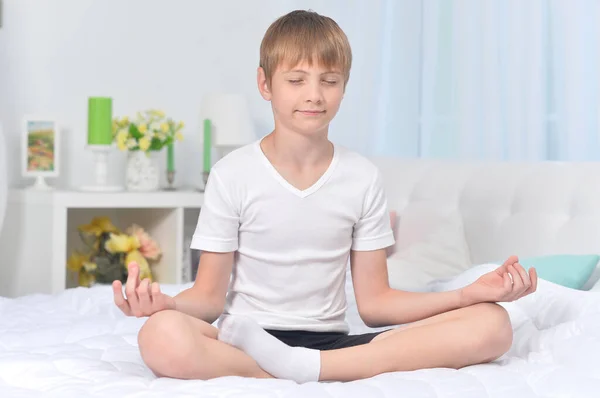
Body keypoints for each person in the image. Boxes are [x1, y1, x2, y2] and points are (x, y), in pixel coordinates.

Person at [112, 9, 538, 384]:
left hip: (331, 343)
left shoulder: (361, 177)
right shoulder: (232, 175)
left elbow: (376, 304)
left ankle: (306, 367)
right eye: (296, 80)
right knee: (160, 334)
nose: (314, 94)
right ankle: (299, 367)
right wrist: (163, 303)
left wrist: (468, 294)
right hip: (244, 338)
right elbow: (208, 299)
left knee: (492, 325)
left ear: (344, 86)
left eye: (329, 81)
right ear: (266, 84)